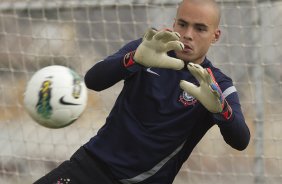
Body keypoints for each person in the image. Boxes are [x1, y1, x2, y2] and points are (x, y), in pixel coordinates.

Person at [34, 0, 250, 183]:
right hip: (91, 167)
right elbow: (93, 80)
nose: (187, 34)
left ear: (215, 35)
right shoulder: (149, 48)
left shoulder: (217, 85)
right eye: (182, 24)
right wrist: (134, 59)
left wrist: (222, 110)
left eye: (200, 28)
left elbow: (241, 140)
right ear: (174, 23)